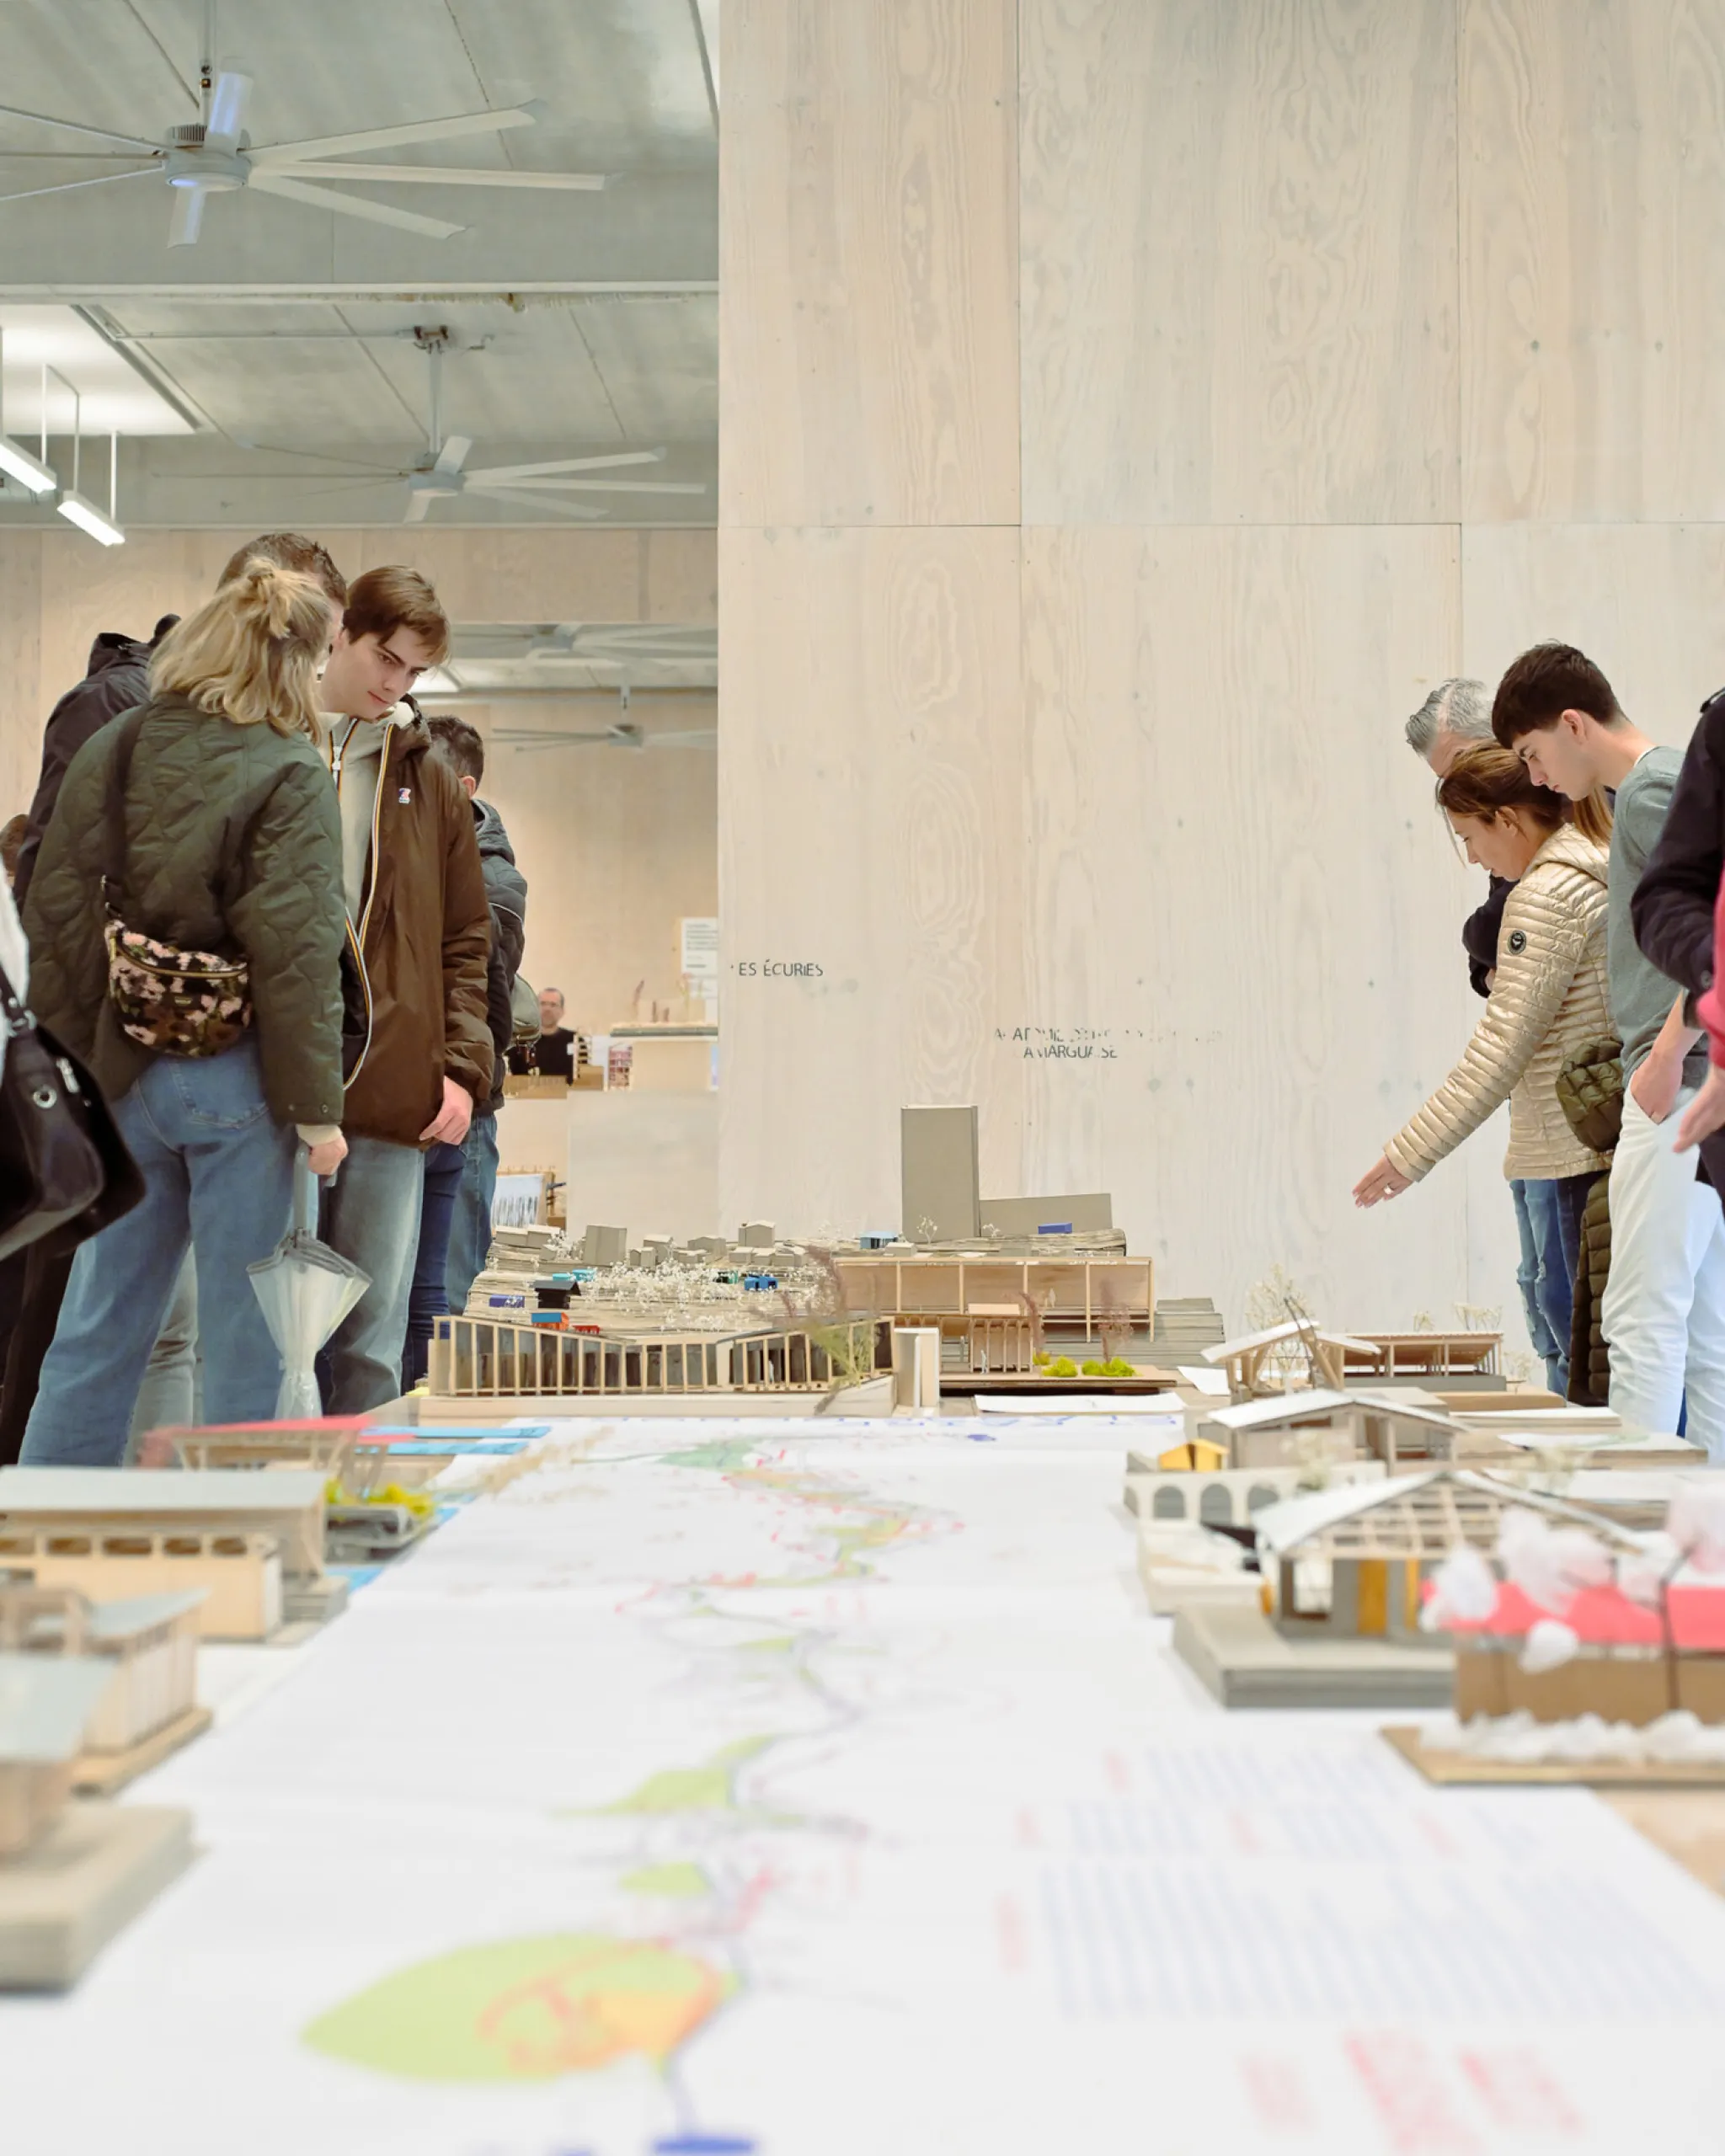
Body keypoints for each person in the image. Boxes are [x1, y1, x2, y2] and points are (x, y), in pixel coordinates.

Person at [0, 533, 349, 1462]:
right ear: (293, 662)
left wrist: (69, 1069)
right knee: (246, 1335)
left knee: (96, 1330)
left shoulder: (116, 743)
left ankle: (47, 1526)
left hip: (121, 1073)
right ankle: (243, 1530)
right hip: (237, 1080)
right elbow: (297, 953)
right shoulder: (289, 768)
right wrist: (318, 1114)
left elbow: (55, 910)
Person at [1491, 643, 1725, 1440]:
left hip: (1678, 1082)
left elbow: (1714, 935)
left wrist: (1665, 1054)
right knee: (1702, 1330)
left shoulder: (1654, 789)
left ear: (1572, 723)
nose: (1536, 777)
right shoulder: (1658, 787)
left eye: (1533, 754)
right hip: (1694, 1078)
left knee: (1641, 1318)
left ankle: (1639, 1508)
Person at [1354, 744, 1614, 1396]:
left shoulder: (1546, 896)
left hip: (1571, 1152)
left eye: (1470, 837)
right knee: (1593, 1341)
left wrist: (1408, 1154)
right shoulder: (1593, 867)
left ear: (1507, 819)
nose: (1473, 858)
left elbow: (1501, 1047)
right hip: (1586, 1140)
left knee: (1576, 1346)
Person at [315, 568, 492, 1412]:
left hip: (394, 1094)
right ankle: (265, 1489)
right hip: (274, 1089)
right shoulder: (272, 749)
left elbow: (466, 940)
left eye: (414, 671)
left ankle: (362, 1494)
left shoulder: (429, 784)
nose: (394, 683)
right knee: (263, 1334)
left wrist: (461, 1068)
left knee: (371, 1347)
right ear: (341, 634)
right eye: (385, 657)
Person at [420, 716, 528, 1340]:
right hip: (417, 1101)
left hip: (466, 1106)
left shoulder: (492, 881)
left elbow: (482, 998)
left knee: (448, 1296)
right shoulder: (425, 858)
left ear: (461, 789)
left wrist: (458, 1079)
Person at [1405, 678, 1508, 999]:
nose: (1459, 790)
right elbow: (1482, 963)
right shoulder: (1497, 820)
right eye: (1447, 780)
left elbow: (1487, 936)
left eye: (1463, 763)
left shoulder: (1569, 801)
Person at [508, 985, 578, 1079]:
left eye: (553, 1005)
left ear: (562, 1011)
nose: (547, 1009)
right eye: (543, 1004)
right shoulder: (518, 1042)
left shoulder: (575, 1041)